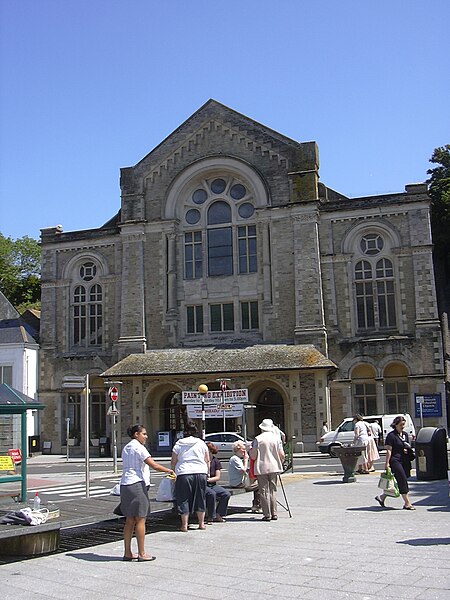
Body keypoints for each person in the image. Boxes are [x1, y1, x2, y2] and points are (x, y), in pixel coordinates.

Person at [120, 424, 175, 562]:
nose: (146, 436)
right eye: (143, 434)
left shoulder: (126, 447)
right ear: (136, 434)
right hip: (136, 483)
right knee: (140, 518)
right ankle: (142, 553)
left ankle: (127, 552)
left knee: (129, 520)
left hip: (125, 484)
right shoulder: (139, 447)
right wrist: (169, 471)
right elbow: (154, 465)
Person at [171, 421, 209, 532]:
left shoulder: (179, 443)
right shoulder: (201, 443)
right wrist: (207, 473)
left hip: (184, 472)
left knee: (183, 498)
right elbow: (207, 459)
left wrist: (173, 472)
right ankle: (201, 524)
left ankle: (184, 525)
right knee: (200, 497)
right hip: (200, 471)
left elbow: (174, 460)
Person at [375, 415, 415, 510]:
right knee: (402, 480)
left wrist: (407, 450)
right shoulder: (391, 436)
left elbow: (406, 446)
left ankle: (381, 497)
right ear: (395, 425)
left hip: (404, 461)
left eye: (404, 425)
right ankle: (407, 503)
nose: (402, 426)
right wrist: (387, 463)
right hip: (395, 460)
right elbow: (389, 450)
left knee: (397, 481)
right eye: (401, 424)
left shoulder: (405, 434)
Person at [249, 418, 285, 521]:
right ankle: (274, 513)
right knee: (273, 490)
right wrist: (279, 463)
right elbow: (282, 454)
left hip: (261, 467)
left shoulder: (258, 439)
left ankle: (267, 514)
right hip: (274, 467)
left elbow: (254, 455)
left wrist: (249, 451)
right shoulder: (276, 439)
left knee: (264, 491)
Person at [228, 440, 261, 512]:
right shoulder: (234, 459)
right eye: (243, 451)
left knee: (257, 485)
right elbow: (243, 470)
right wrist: (246, 460)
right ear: (237, 450)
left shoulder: (237, 459)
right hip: (237, 483)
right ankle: (256, 505)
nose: (244, 453)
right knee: (260, 485)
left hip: (240, 482)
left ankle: (256, 504)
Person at [205, 442, 231, 523]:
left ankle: (219, 514)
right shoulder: (201, 461)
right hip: (203, 485)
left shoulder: (216, 461)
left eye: (208, 451)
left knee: (226, 494)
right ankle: (211, 516)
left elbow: (217, 477)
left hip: (212, 484)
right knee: (211, 494)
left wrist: (209, 479)